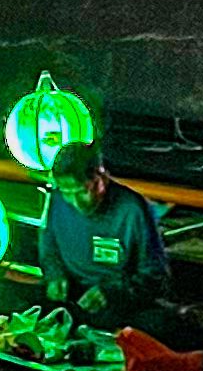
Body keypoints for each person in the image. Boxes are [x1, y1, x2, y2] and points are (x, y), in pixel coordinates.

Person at [37, 142, 175, 331]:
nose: (75, 202)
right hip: (72, 298)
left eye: (82, 191)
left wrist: (112, 291)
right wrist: (55, 275)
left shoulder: (132, 209)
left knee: (160, 324)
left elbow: (155, 277)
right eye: (67, 193)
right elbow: (49, 250)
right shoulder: (56, 199)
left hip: (116, 304)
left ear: (100, 177)